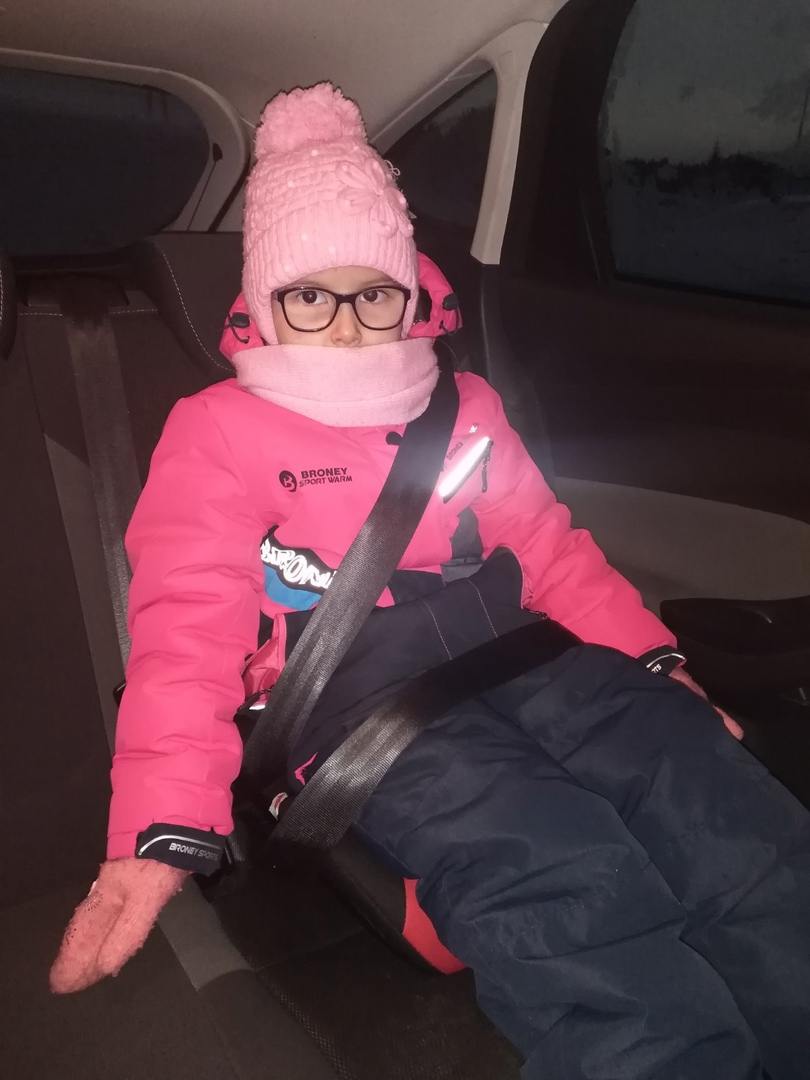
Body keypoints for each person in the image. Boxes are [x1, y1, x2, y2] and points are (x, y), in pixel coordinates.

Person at [50, 83, 810, 1080]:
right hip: (358, 703)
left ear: (411, 294)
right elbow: (186, 630)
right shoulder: (218, 430)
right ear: (265, 303)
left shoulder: (464, 404)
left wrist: (654, 664)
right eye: (310, 296)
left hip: (525, 655)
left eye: (374, 293)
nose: (347, 326)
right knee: (551, 862)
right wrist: (158, 831)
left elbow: (547, 547)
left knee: (710, 793)